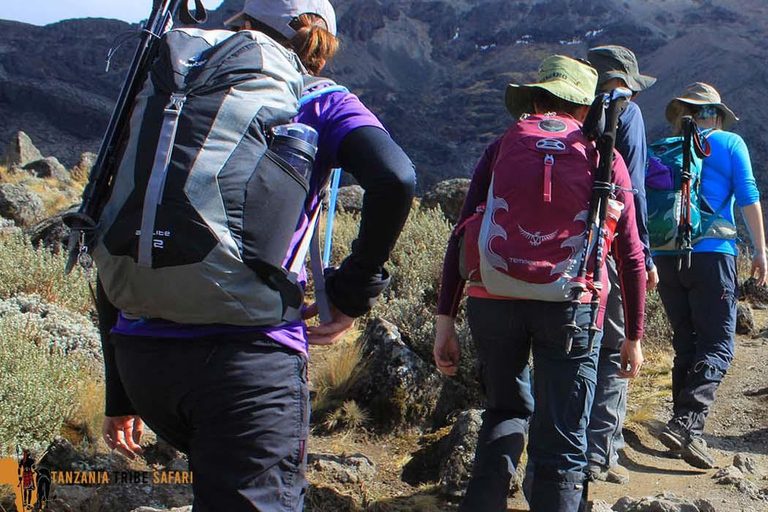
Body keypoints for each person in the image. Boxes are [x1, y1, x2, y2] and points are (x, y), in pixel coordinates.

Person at [98, 0, 416, 509]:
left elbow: (124, 223)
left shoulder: (171, 90)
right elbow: (395, 178)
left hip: (142, 358)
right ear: (322, 44)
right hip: (247, 364)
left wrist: (120, 395)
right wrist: (352, 291)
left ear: (241, 22)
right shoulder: (319, 99)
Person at [434, 55, 646, 512]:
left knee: (504, 412)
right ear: (585, 109)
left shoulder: (501, 146)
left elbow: (462, 233)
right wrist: (633, 336)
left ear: (532, 100)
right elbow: (628, 254)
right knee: (563, 443)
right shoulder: (603, 159)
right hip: (571, 309)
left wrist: (444, 320)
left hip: (493, 300)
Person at [655, 82, 766, 469]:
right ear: (716, 114)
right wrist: (762, 252)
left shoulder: (667, 148)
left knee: (687, 343)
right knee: (720, 345)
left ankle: (681, 426)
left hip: (666, 256)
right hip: (712, 255)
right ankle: (687, 424)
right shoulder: (730, 143)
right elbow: (748, 195)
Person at [584, 45, 656, 485]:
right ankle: (600, 455)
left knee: (579, 350)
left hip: (569, 251)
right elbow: (635, 192)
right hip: (612, 246)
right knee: (616, 349)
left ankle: (586, 442)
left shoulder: (576, 112)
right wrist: (643, 252)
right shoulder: (628, 116)